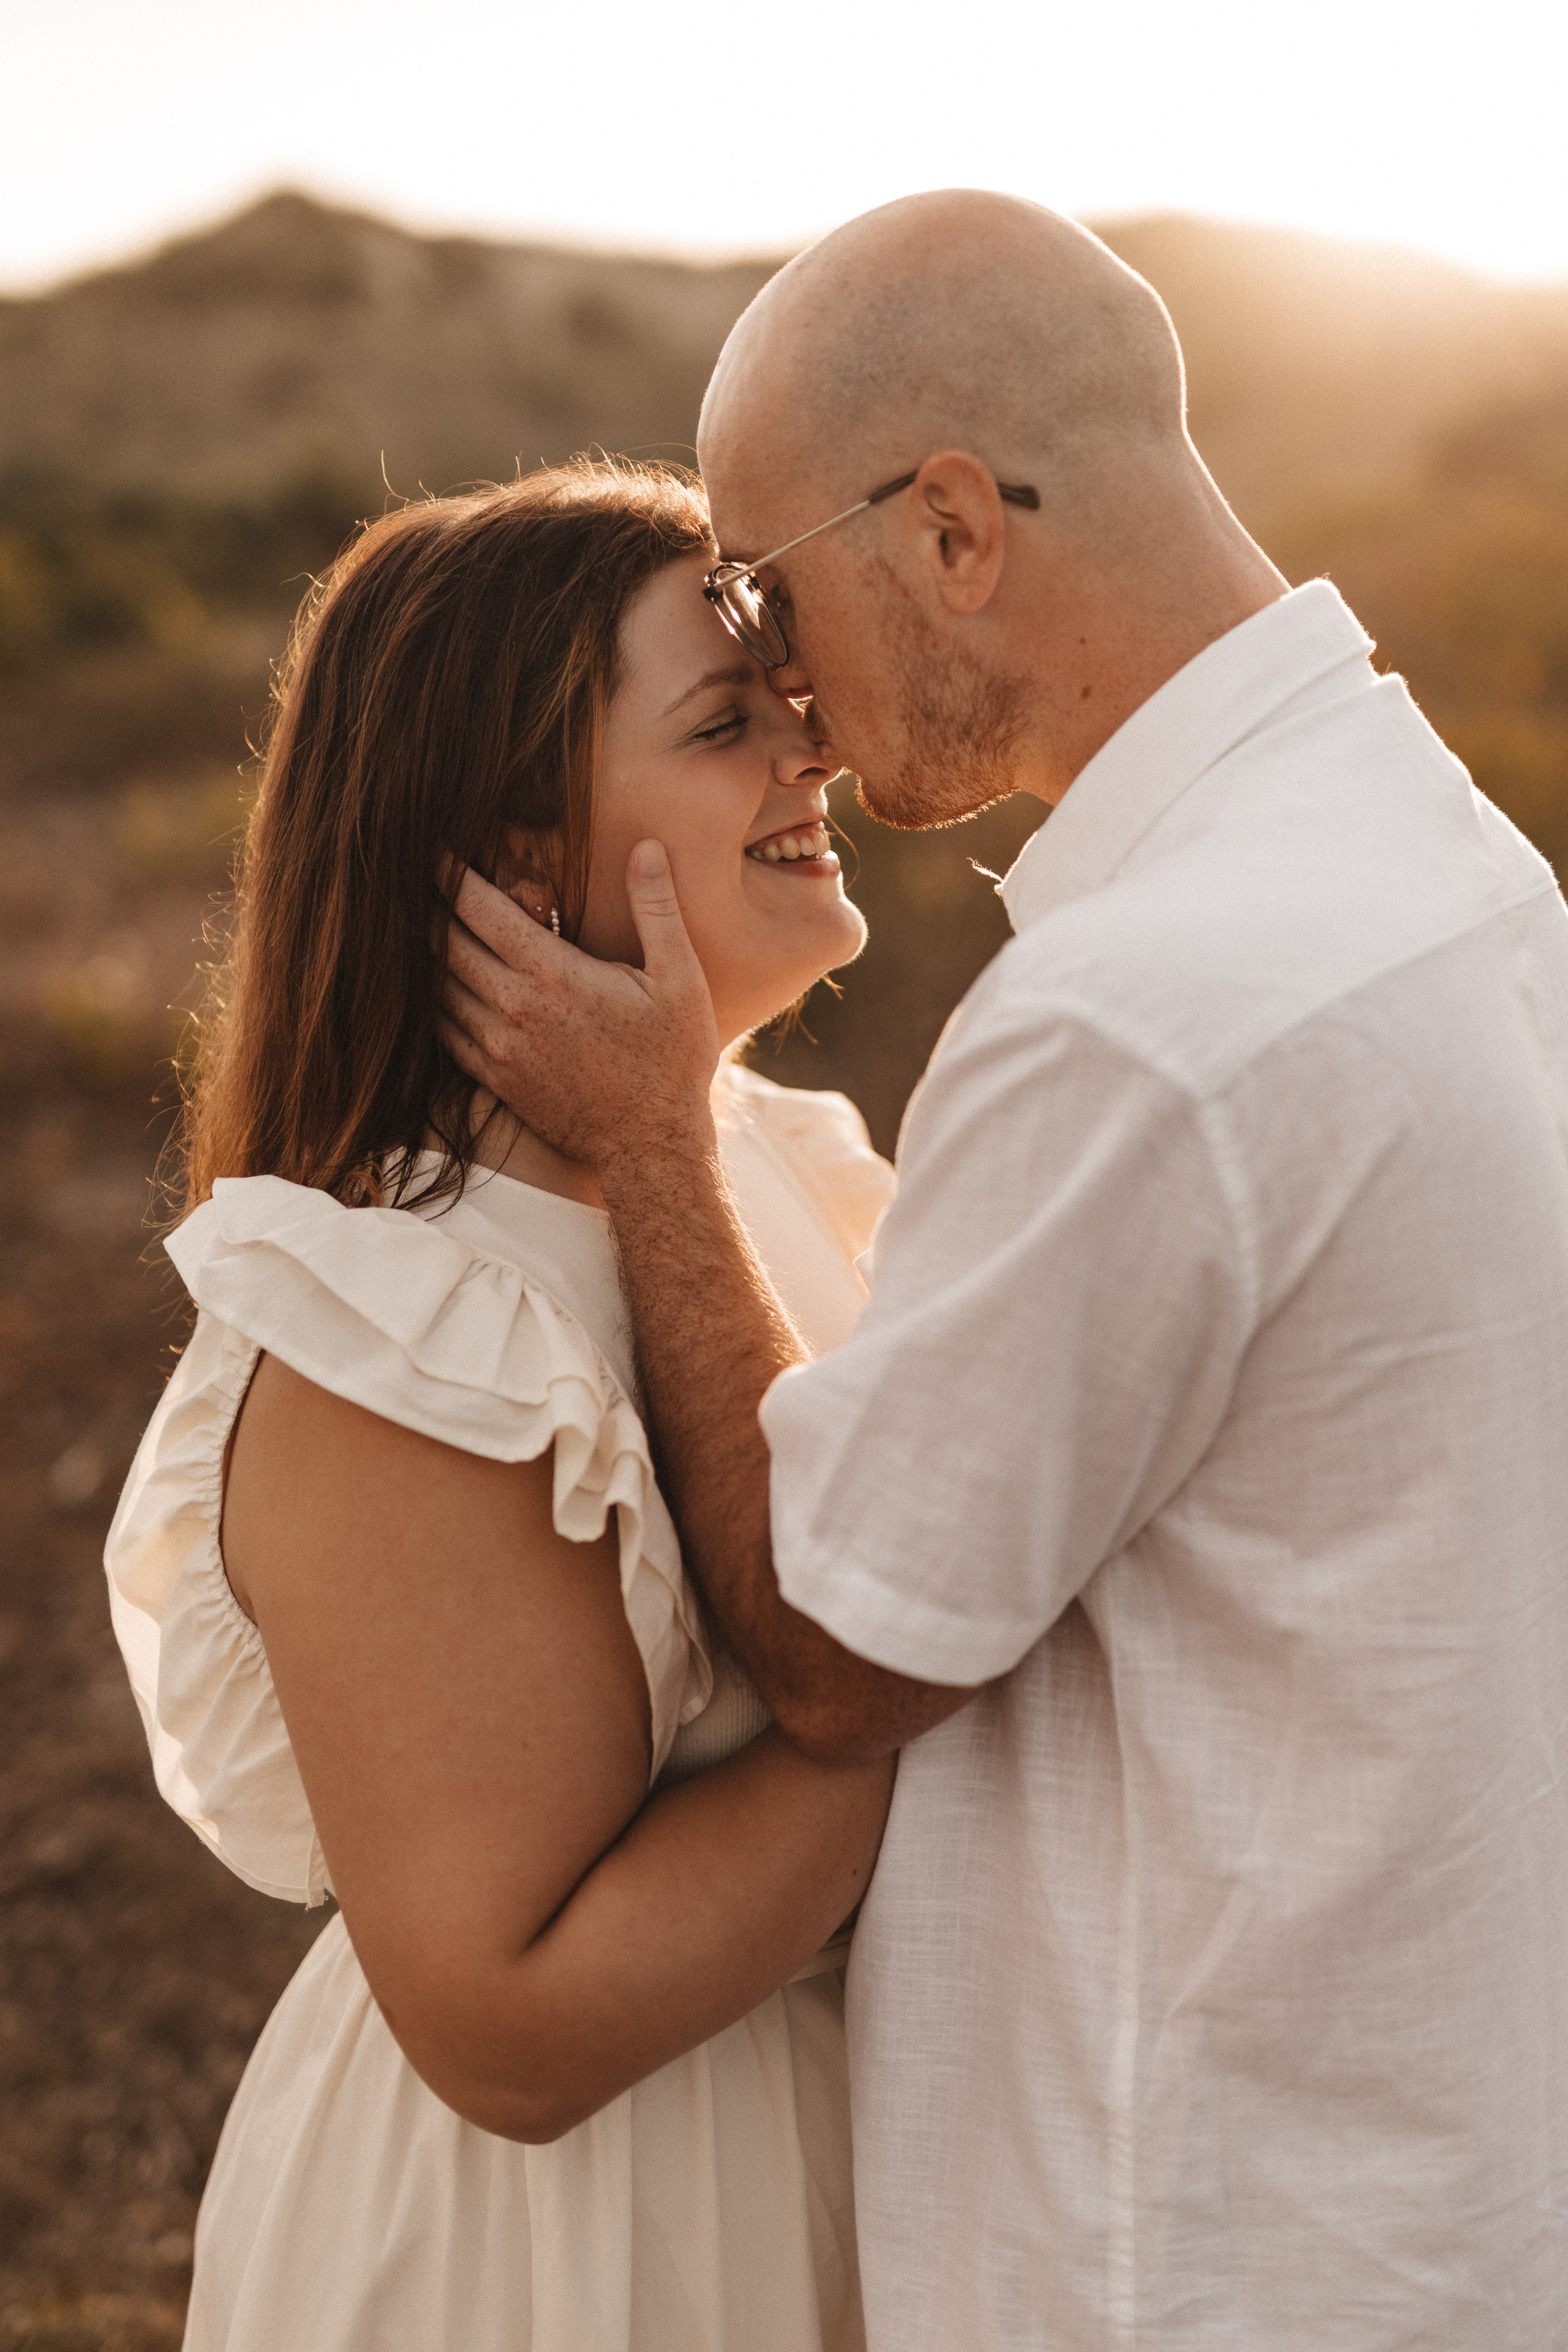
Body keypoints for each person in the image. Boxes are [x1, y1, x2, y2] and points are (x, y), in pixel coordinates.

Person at [441, 193, 1568, 2348]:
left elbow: (842, 1644)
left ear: (953, 529)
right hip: (1439, 2196)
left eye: (769, 594)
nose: (785, 687)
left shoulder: (1141, 1018)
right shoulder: (1453, 867)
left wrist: (656, 1146)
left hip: (1204, 2253)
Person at [104, 458, 899, 2352]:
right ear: (523, 856)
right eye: (727, 723)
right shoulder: (416, 1329)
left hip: (825, 2150)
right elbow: (509, 2028)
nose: (817, 755)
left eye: (791, 702)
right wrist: (950, 1674)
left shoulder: (766, 1164)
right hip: (574, 2255)